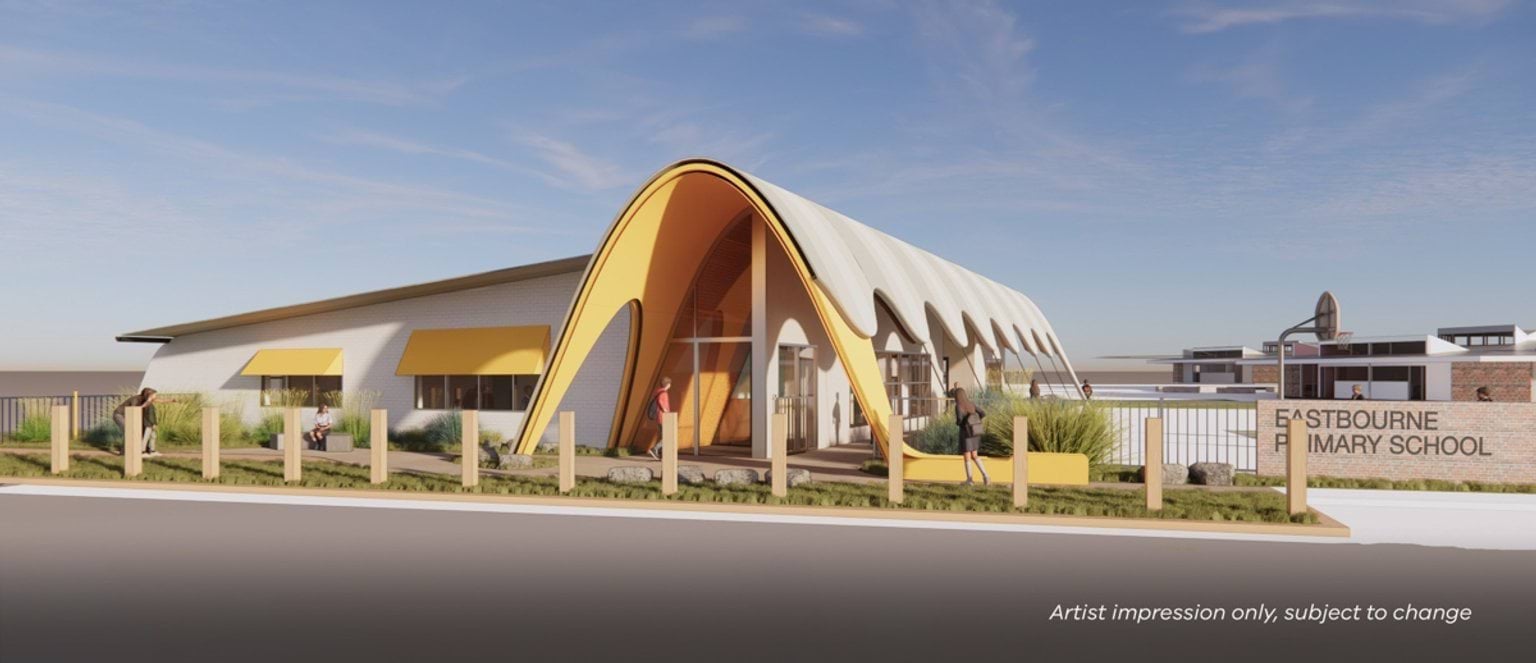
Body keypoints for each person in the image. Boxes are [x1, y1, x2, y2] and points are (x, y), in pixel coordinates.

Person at [112, 388, 174, 457]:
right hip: (119, 415)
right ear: (148, 395)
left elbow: (159, 401)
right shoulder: (136, 399)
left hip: (127, 416)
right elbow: (134, 409)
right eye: (153, 395)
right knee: (128, 431)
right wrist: (148, 402)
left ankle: (130, 450)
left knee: (132, 432)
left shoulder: (145, 399)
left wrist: (171, 400)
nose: (155, 397)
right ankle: (124, 452)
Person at [953, 388, 989, 486]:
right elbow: (983, 413)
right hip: (975, 432)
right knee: (975, 455)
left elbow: (959, 420)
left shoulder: (958, 406)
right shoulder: (971, 404)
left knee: (967, 457)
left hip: (966, 433)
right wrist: (975, 419)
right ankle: (985, 475)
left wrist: (960, 422)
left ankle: (970, 480)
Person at [646, 377, 673, 460]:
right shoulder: (663, 393)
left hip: (660, 417)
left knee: (665, 436)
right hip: (663, 417)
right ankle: (655, 449)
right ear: (668, 384)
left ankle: (658, 453)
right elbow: (661, 401)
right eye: (670, 384)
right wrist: (665, 410)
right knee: (667, 436)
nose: (670, 385)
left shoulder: (659, 391)